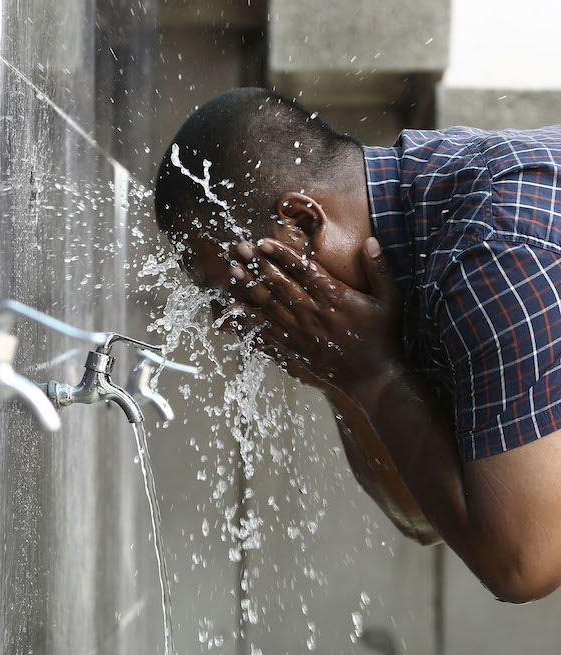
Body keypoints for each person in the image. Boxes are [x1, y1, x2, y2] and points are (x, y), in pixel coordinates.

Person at [153, 87, 561, 603]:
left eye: (233, 287)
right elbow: (425, 518)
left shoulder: (489, 259)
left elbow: (523, 564)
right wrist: (341, 372)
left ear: (302, 223)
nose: (230, 321)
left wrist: (371, 374)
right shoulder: (413, 219)